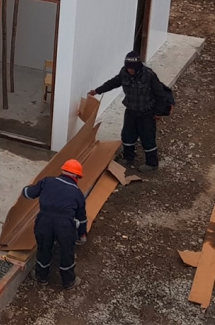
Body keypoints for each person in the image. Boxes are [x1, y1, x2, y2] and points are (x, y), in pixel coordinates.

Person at [88, 51, 169, 172]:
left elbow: (161, 95)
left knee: (147, 138)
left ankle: (152, 164)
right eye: (128, 68)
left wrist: (158, 113)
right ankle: (128, 157)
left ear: (137, 67)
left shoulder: (149, 75)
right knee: (127, 135)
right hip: (131, 111)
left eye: (132, 69)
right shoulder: (124, 72)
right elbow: (113, 83)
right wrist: (97, 91)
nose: (130, 71)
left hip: (147, 113)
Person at [22, 159, 87, 290]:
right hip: (65, 225)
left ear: (62, 170)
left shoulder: (47, 181)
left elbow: (28, 194)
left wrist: (25, 189)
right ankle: (68, 282)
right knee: (67, 251)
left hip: (44, 221)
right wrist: (82, 234)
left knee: (44, 248)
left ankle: (41, 277)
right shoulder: (77, 193)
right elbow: (82, 218)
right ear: (77, 177)